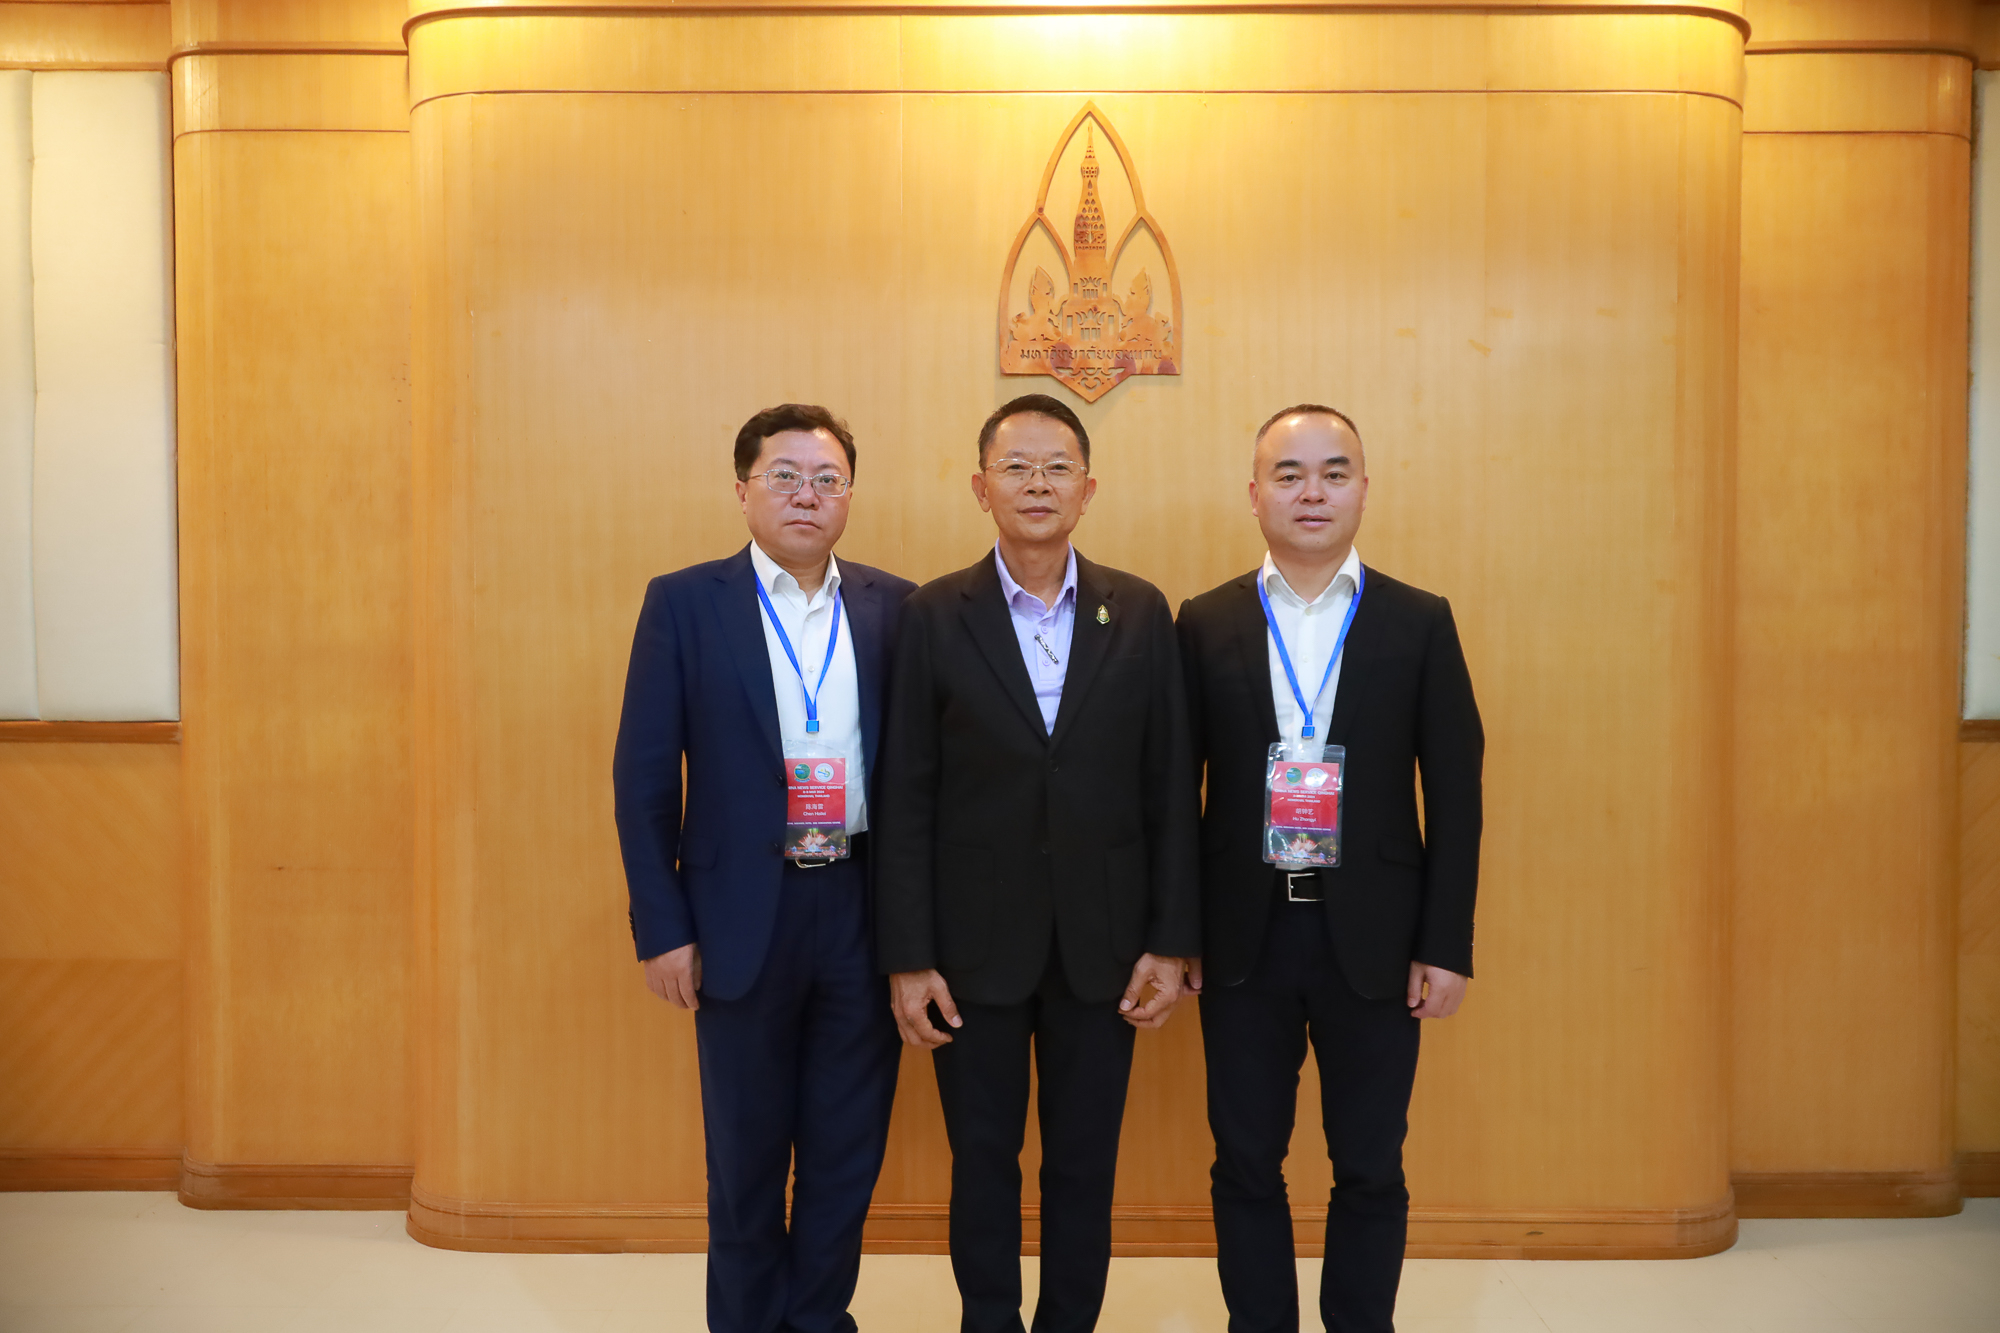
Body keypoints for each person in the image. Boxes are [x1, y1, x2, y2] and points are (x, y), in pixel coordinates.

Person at [873, 394, 1201, 1333]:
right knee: (982, 1158)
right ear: (981, 488)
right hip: (972, 946)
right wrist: (908, 955)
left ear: (1088, 489)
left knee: (1083, 1162)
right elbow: (905, 796)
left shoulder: (1139, 610)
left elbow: (1170, 784)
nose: (1037, 483)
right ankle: (989, 1318)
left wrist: (1171, 938)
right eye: (1015, 466)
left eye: (1057, 467)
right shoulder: (934, 613)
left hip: (1106, 944)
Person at [1176, 405, 1483, 1333]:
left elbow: (1456, 793)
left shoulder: (1419, 620)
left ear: (1363, 489)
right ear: (1255, 494)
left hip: (1378, 941)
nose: (1312, 492)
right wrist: (1176, 932)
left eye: (1334, 472)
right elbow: (1172, 793)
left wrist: (1446, 943)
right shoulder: (1206, 620)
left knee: (1370, 1164)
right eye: (1290, 474)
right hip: (1242, 937)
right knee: (1244, 1162)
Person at [612, 404, 915, 1333]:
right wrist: (664, 927)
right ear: (742, 490)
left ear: (849, 496)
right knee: (744, 1158)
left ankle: (818, 1319)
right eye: (783, 476)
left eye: (826, 479)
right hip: (740, 914)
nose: (805, 495)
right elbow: (643, 777)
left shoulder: (897, 607)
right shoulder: (684, 602)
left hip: (862, 908)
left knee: (845, 1152)